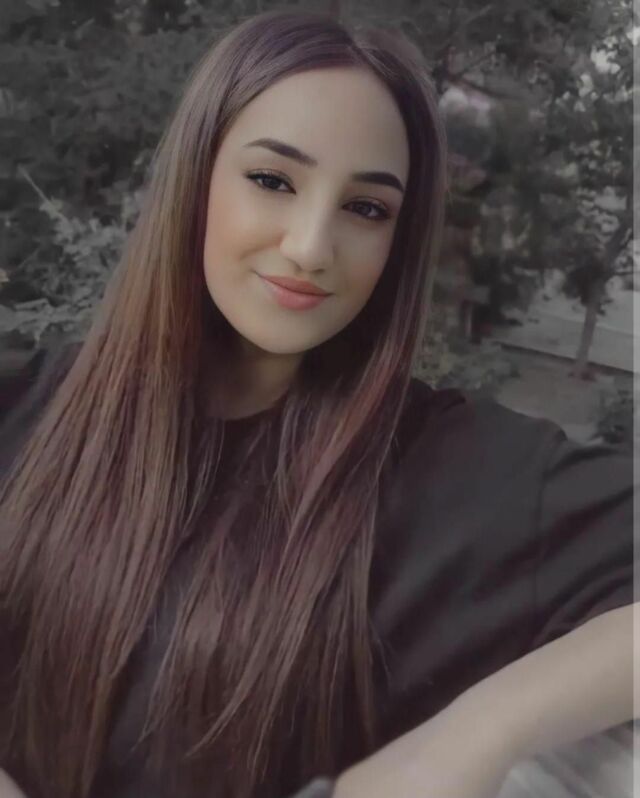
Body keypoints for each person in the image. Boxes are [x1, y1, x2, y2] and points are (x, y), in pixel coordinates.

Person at [0, 9, 636, 798]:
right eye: (272, 181)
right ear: (194, 178)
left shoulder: (462, 478)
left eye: (367, 209)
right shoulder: (23, 413)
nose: (309, 247)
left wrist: (485, 727)